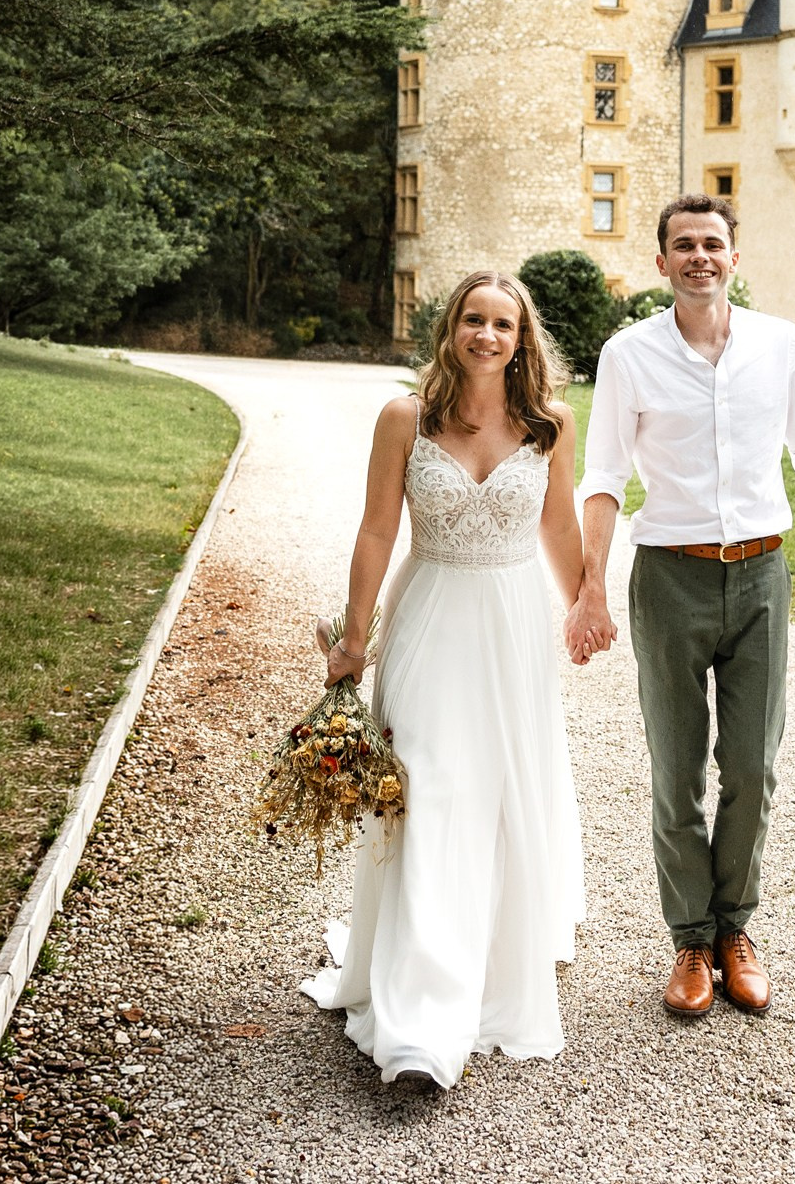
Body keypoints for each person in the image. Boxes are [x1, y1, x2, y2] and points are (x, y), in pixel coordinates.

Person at [566, 194, 795, 1018]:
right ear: (661, 263)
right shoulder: (629, 355)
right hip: (669, 576)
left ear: (736, 257)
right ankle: (691, 938)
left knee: (753, 768)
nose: (699, 255)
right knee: (677, 768)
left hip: (762, 575)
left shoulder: (781, 345)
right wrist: (591, 586)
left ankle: (737, 928)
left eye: (713, 243)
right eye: (683, 245)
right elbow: (604, 478)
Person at [300, 271, 588, 1085]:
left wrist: (586, 602)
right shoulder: (406, 418)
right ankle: (420, 1026)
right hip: (428, 620)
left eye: (503, 323)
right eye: (473, 318)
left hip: (513, 631)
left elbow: (560, 526)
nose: (487, 335)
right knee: (427, 792)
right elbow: (375, 529)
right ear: (450, 327)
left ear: (522, 338)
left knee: (496, 797)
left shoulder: (549, 424)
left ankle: (488, 970)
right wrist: (353, 639)